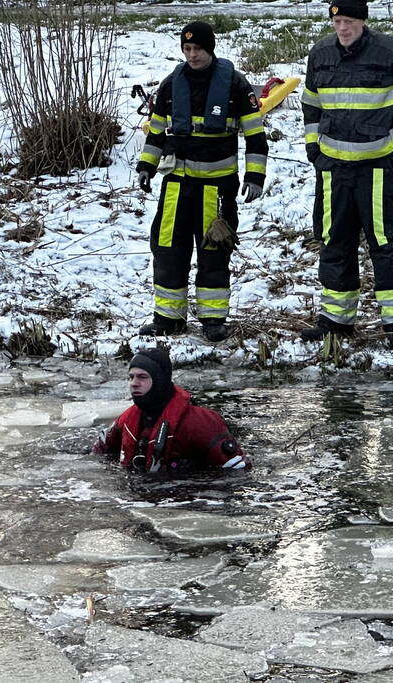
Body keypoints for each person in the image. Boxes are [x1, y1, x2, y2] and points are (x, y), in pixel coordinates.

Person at [300, 0, 393, 350]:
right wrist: (313, 147)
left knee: (386, 242)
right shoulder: (320, 53)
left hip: (377, 167)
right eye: (337, 21)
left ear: (363, 22)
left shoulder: (390, 49)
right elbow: (311, 102)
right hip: (334, 169)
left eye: (349, 21)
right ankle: (336, 320)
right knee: (335, 241)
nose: (342, 28)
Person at [135, 22, 268, 342]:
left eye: (198, 49)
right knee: (167, 249)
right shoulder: (171, 85)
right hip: (177, 187)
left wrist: (254, 177)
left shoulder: (235, 85)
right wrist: (146, 167)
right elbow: (155, 133)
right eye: (187, 49)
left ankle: (212, 320)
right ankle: (168, 318)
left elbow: (256, 138)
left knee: (213, 251)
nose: (192, 55)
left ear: (211, 49)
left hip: (216, 188)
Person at [94, 347, 249, 472]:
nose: (134, 383)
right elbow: (101, 451)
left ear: (160, 381)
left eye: (142, 377)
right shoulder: (128, 419)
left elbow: (239, 472)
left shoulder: (200, 422)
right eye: (131, 377)